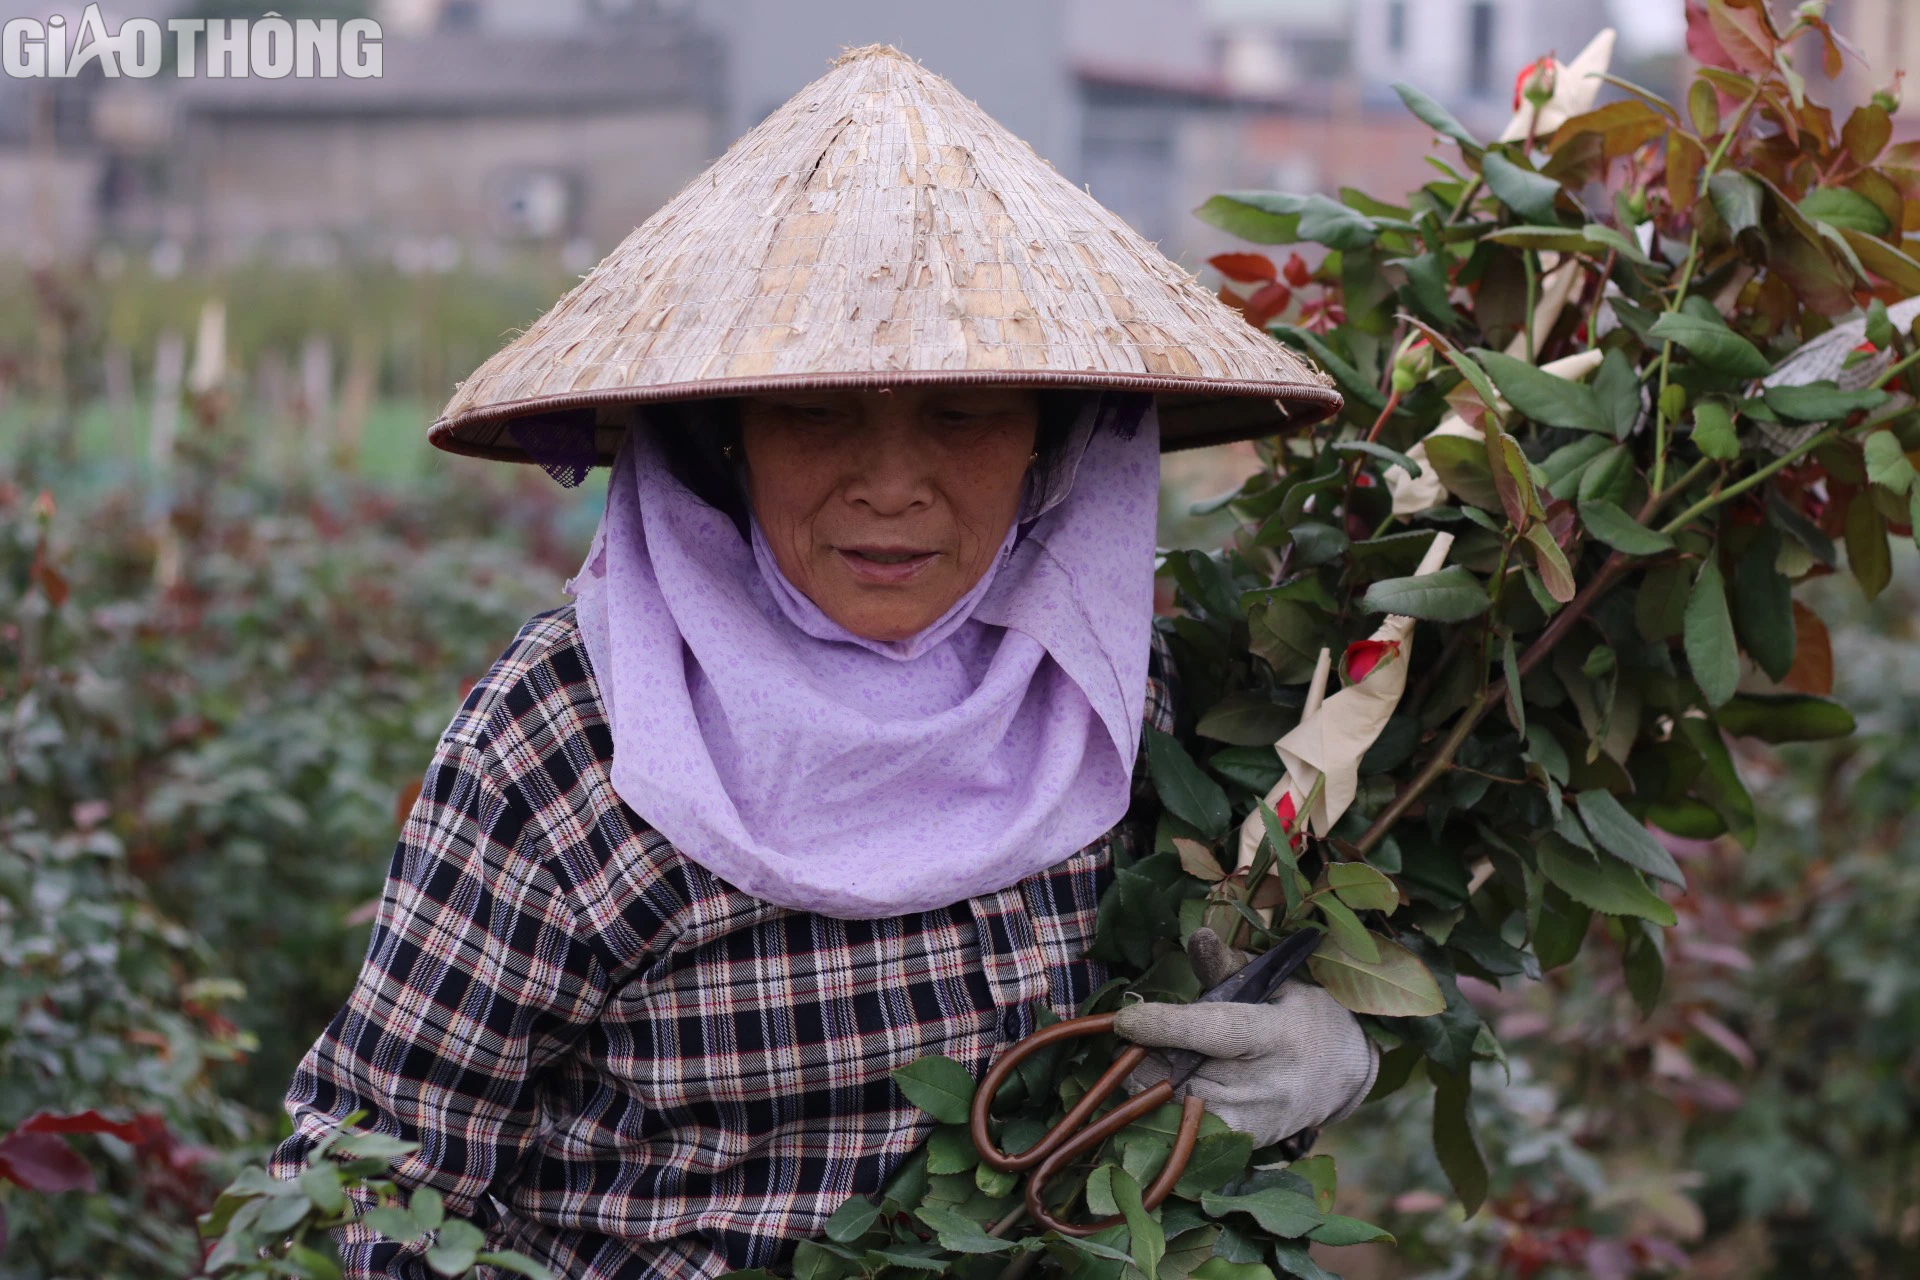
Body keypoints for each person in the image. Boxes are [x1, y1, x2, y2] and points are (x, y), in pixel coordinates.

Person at [272, 45, 1372, 1280]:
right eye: (816, 410)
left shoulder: (1113, 693)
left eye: (962, 414)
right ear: (724, 436)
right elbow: (371, 1167)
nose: (891, 484)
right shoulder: (579, 729)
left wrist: (1320, 1050)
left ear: (1050, 448)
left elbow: (1218, 982)